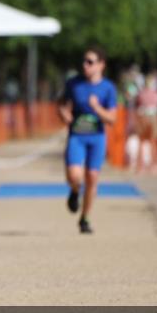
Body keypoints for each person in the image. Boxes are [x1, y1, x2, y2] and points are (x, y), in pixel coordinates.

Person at [57, 46, 118, 234]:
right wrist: (64, 114)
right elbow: (62, 105)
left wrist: (97, 108)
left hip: (97, 138)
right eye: (84, 61)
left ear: (101, 65)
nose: (85, 65)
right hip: (77, 136)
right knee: (74, 175)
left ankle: (85, 218)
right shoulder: (74, 84)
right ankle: (75, 191)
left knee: (92, 177)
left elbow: (112, 119)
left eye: (90, 62)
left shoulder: (108, 88)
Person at [135, 71, 157, 173]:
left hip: (143, 116)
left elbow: (139, 103)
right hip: (153, 116)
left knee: (142, 142)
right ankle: (154, 165)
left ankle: (140, 166)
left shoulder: (142, 93)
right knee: (153, 142)